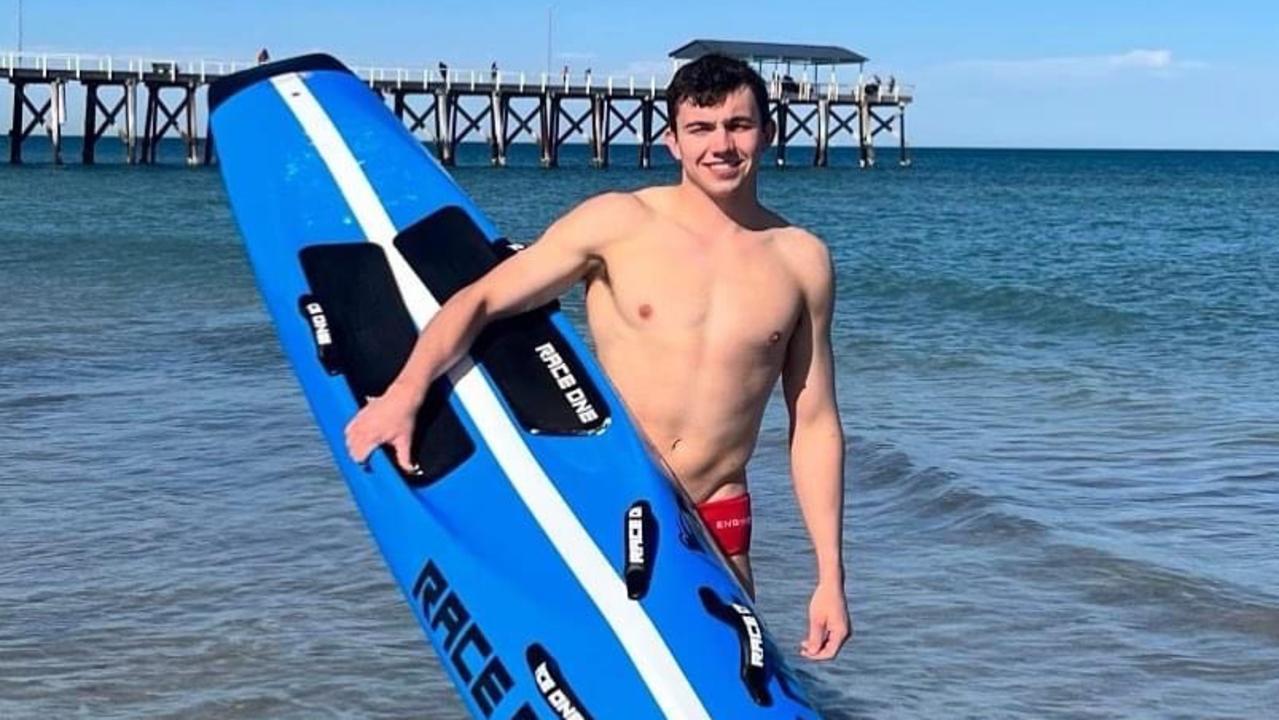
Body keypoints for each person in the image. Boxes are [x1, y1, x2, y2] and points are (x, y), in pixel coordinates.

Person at [344, 53, 851, 661]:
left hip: (717, 507)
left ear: (766, 132)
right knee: (579, 664)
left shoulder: (801, 259)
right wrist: (406, 392)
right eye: (701, 128)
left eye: (738, 125)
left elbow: (814, 421)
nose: (721, 144)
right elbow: (480, 300)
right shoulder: (620, 223)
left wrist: (830, 577)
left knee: (714, 673)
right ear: (672, 142)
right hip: (611, 490)